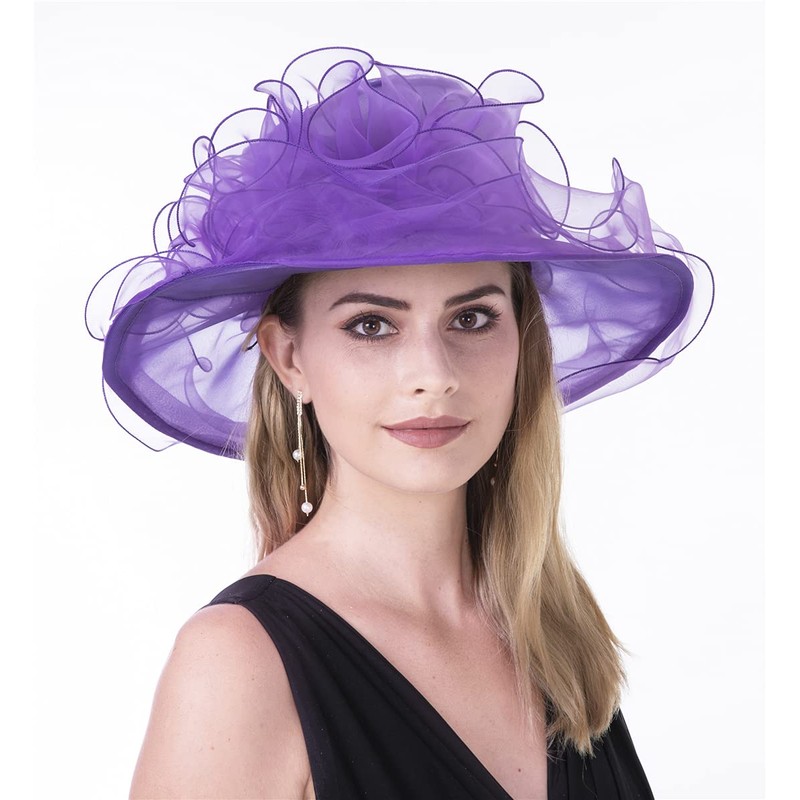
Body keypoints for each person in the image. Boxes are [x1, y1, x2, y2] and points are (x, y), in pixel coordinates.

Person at [86, 46, 713, 799]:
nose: (434, 373)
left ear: (524, 340)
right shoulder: (240, 663)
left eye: (472, 318)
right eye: (372, 326)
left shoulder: (554, 638)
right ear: (289, 357)